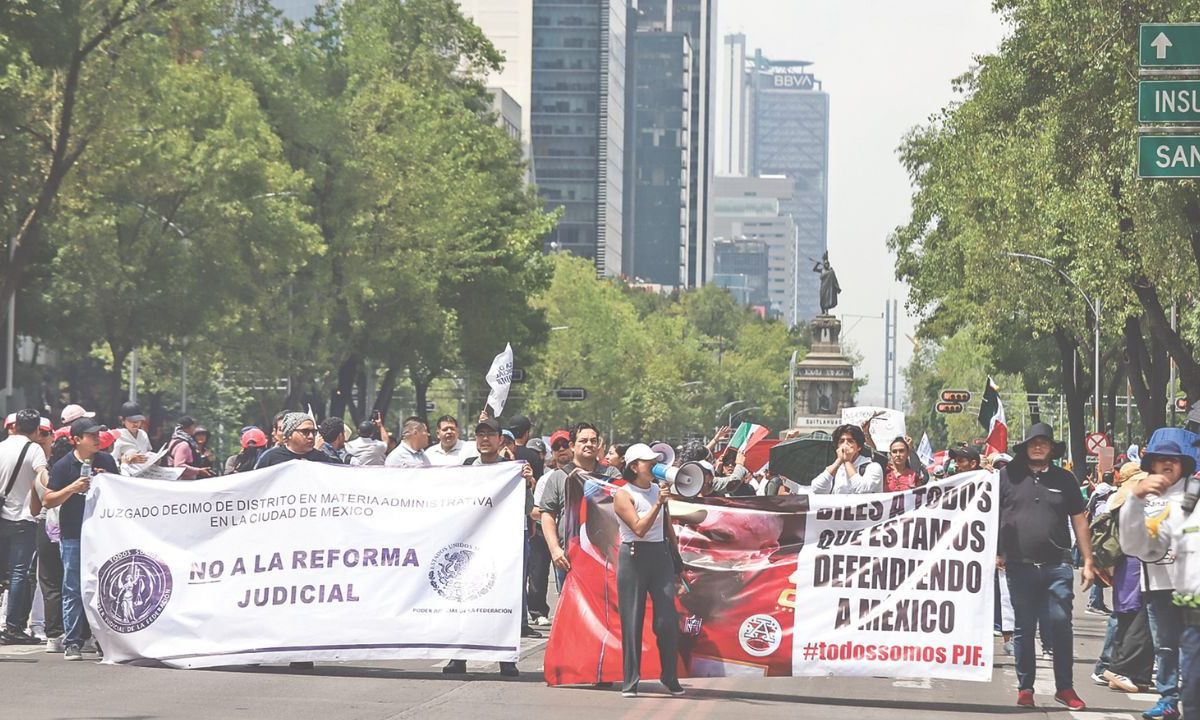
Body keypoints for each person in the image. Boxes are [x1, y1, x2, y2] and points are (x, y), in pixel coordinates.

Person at [998, 422, 1094, 710]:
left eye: (1043, 442)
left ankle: (1065, 688)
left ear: (1052, 448)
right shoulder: (1006, 477)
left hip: (1057, 565)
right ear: (1025, 447)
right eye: (1032, 442)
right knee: (1024, 629)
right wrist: (996, 551)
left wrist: (1088, 560)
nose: (1038, 446)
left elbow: (1079, 520)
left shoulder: (1066, 479)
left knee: (1060, 624)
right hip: (1019, 566)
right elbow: (990, 515)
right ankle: (1025, 687)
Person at [442, 417, 536, 678]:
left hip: (505, 548)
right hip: (471, 547)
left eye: (490, 434)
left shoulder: (513, 469)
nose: (485, 439)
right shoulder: (468, 467)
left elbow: (528, 509)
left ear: (500, 440)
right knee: (465, 601)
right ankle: (458, 657)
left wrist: (528, 483)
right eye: (480, 434)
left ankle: (506, 659)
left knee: (505, 600)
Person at [1118, 428, 1199, 720]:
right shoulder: (1141, 495)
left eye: (1173, 461)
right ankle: (1168, 700)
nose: (1166, 465)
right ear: (1151, 465)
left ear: (1182, 465)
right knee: (1164, 647)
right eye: (1160, 460)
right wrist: (1134, 502)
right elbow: (1131, 542)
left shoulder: (1195, 493)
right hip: (1157, 585)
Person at [43, 417, 118, 661]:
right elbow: (48, 500)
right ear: (76, 440)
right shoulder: (64, 466)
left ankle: (103, 640)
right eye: (91, 435)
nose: (97, 439)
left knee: (103, 587)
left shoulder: (106, 460)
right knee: (73, 588)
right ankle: (72, 642)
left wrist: (110, 481)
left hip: (103, 534)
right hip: (74, 534)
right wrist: (72, 488)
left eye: (98, 434)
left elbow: (123, 491)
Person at [612, 443, 684, 698]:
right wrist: (657, 504)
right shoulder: (623, 494)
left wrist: (676, 555)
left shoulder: (657, 490)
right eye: (648, 461)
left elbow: (666, 526)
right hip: (634, 557)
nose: (654, 465)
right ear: (634, 466)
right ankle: (630, 680)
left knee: (667, 620)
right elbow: (639, 529)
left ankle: (669, 676)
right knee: (632, 621)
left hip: (659, 556)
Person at [538, 422, 621, 589]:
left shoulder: (612, 475)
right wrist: (555, 550)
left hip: (607, 558)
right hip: (569, 559)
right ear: (572, 446)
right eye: (583, 440)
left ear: (598, 445)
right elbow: (547, 515)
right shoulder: (558, 478)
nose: (589, 444)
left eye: (593, 440)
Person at [0, 409, 50, 645]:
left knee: (3, 574)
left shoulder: (1, 447)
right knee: (19, 573)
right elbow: (42, 475)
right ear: (37, 429)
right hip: (23, 518)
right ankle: (13, 627)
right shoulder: (34, 449)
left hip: (1, 518)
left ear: (15, 425)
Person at [810, 424, 883, 494]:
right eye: (841, 441)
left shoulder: (873, 467)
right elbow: (817, 489)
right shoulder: (835, 468)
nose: (845, 444)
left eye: (850, 441)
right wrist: (838, 461)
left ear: (859, 447)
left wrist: (847, 461)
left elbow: (862, 490)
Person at [254, 413, 340, 468]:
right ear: (290, 434)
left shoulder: (322, 459)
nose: (311, 436)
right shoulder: (270, 458)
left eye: (313, 432)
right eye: (305, 432)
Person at [111, 401, 151, 468]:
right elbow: (112, 460)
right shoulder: (116, 435)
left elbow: (148, 452)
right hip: (125, 474)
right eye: (131, 421)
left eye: (138, 420)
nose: (135, 424)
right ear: (123, 420)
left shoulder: (143, 434)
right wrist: (128, 460)